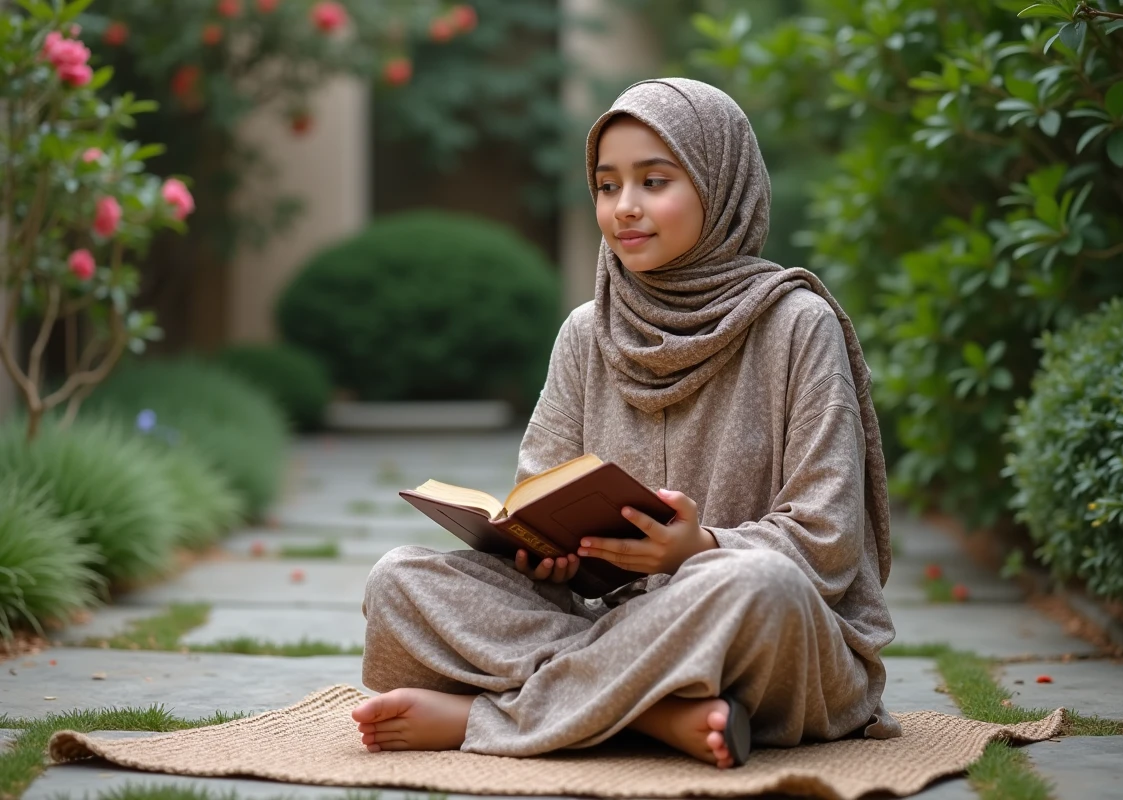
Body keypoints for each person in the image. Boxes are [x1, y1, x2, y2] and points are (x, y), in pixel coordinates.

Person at [351, 77, 900, 769]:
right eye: (608, 186)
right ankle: (660, 715)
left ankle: (486, 719)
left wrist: (697, 548)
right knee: (398, 580)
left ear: (720, 184)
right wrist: (542, 552)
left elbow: (827, 543)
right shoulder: (587, 331)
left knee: (761, 582)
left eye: (654, 181)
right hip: (608, 618)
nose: (625, 208)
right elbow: (540, 494)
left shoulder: (798, 325)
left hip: (753, 624)